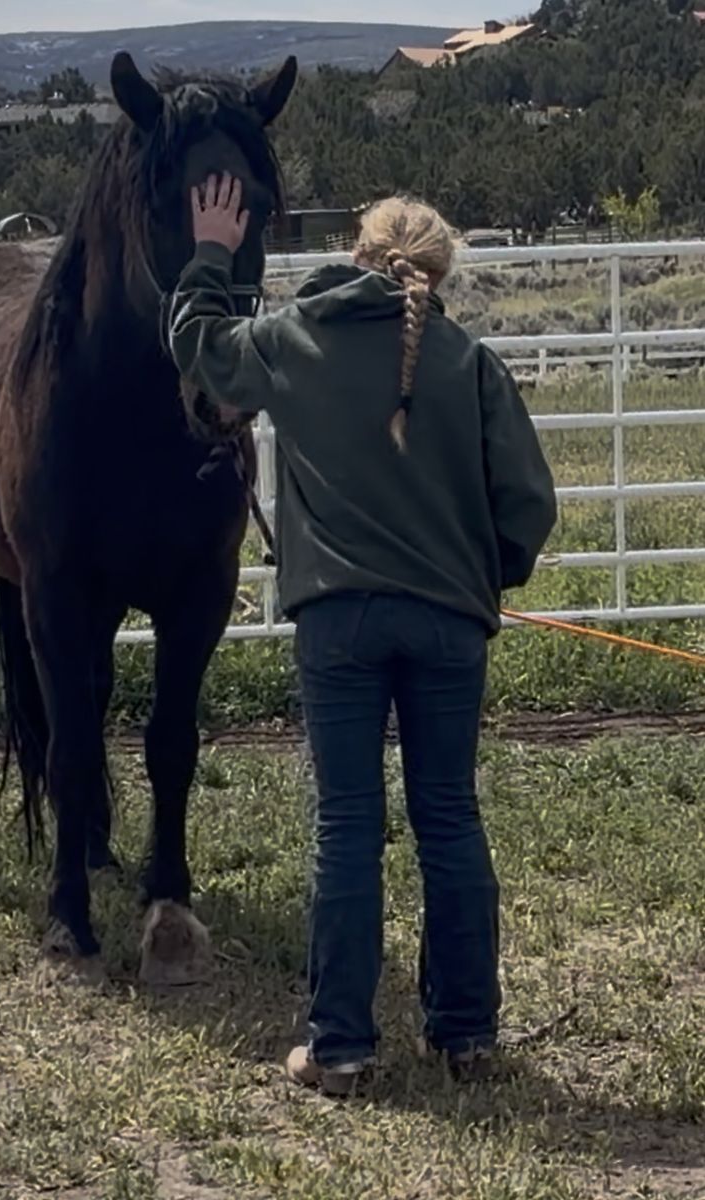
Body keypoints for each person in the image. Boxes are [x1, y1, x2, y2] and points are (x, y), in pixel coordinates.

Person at [169, 174, 557, 1095]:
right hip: (449, 623)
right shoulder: (471, 362)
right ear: (439, 271)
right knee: (449, 816)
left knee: (346, 824)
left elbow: (194, 347)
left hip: (337, 619)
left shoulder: (294, 342)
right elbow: (528, 505)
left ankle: (341, 1045)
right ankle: (465, 1035)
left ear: (356, 254)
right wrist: (483, 574)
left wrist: (213, 250)